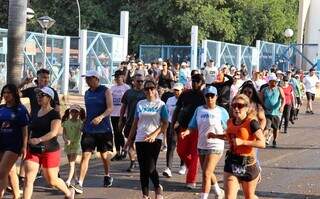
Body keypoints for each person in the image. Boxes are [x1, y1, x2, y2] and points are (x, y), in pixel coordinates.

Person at [208, 94, 265, 199]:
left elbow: (262, 143)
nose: (236, 108)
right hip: (232, 162)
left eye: (240, 105)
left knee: (249, 196)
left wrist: (243, 142)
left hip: (248, 165)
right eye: (234, 105)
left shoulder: (252, 123)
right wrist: (215, 136)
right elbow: (229, 137)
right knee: (229, 197)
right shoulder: (230, 122)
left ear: (247, 108)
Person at [23, 87, 75, 199]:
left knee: (52, 180)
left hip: (49, 150)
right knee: (28, 179)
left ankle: (69, 192)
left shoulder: (54, 114)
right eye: (38, 95)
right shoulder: (36, 112)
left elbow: (54, 133)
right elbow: (29, 129)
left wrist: (39, 139)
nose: (38, 97)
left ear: (49, 97)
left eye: (42, 95)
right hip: (33, 150)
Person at [181, 86, 229, 199]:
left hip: (216, 145)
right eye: (207, 96)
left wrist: (222, 136)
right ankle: (218, 191)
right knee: (208, 172)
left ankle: (204, 197)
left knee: (206, 173)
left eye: (212, 96)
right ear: (204, 97)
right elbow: (192, 126)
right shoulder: (199, 110)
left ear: (216, 97)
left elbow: (229, 129)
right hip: (202, 145)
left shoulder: (221, 111)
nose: (210, 98)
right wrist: (186, 132)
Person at [125, 80, 169, 199]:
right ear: (144, 91)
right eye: (147, 89)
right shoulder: (140, 104)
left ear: (155, 90)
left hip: (155, 139)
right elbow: (135, 122)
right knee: (143, 168)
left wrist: (154, 134)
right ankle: (145, 195)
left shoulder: (161, 105)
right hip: (140, 138)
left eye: (152, 88)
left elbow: (165, 124)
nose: (149, 91)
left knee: (150, 167)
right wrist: (129, 140)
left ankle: (157, 188)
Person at [75, 70, 114, 194]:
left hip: (104, 129)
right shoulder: (87, 93)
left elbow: (110, 108)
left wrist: (101, 117)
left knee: (104, 155)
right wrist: (84, 123)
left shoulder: (105, 91)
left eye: (89, 78)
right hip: (89, 129)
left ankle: (107, 175)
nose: (87, 81)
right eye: (86, 79)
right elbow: (89, 111)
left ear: (96, 79)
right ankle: (79, 183)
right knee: (86, 155)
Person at [171, 74, 206, 189]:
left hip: (198, 129)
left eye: (198, 81)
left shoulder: (205, 96)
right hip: (183, 127)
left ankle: (191, 180)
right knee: (181, 151)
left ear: (202, 83)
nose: (195, 83)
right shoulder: (185, 94)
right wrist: (173, 125)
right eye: (194, 81)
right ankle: (191, 167)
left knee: (195, 155)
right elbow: (177, 109)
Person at [0, 84, 29, 199]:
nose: (6, 95)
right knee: (11, 171)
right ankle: (16, 196)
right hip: (1, 143)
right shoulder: (1, 108)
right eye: (4, 92)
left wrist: (24, 146)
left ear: (14, 94)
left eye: (9, 92)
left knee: (1, 173)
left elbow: (25, 129)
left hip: (13, 145)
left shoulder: (20, 109)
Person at [119, 73, 146, 172]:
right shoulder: (128, 93)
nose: (140, 83)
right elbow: (123, 107)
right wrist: (121, 119)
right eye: (138, 81)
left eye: (142, 81)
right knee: (130, 142)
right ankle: (132, 162)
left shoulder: (146, 92)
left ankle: (141, 161)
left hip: (143, 124)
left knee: (141, 145)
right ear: (133, 81)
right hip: (130, 122)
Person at [162, 83, 184, 178]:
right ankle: (168, 168)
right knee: (171, 146)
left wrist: (179, 122)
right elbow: (166, 112)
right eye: (175, 90)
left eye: (178, 90)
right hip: (171, 124)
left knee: (182, 146)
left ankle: (183, 165)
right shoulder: (170, 100)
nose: (176, 92)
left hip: (182, 125)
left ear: (182, 90)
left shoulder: (185, 100)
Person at [62, 104, 85, 187]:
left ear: (79, 113)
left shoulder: (81, 123)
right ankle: (75, 179)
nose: (74, 113)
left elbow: (83, 131)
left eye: (76, 112)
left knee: (72, 163)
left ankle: (68, 180)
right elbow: (63, 133)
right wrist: (65, 140)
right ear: (70, 112)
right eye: (73, 111)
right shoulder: (66, 123)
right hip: (68, 145)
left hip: (76, 145)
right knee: (71, 163)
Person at [260, 73, 285, 148]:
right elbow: (261, 100)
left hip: (276, 113)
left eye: (275, 81)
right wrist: (262, 107)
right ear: (269, 82)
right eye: (273, 81)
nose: (275, 83)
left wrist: (282, 106)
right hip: (267, 112)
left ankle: (274, 140)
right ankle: (263, 140)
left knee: (275, 128)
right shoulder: (265, 90)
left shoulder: (279, 89)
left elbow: (283, 98)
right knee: (266, 127)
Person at [110, 70, 130, 160]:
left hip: (124, 114)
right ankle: (118, 152)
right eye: (115, 77)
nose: (117, 79)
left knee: (121, 132)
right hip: (114, 114)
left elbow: (129, 101)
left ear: (122, 77)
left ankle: (124, 150)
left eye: (118, 77)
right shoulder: (112, 88)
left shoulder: (126, 88)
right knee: (116, 133)